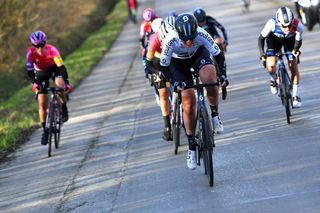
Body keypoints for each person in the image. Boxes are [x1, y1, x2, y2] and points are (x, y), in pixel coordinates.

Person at [159, 13, 227, 169]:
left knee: (211, 79)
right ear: (178, 35)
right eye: (185, 39)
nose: (189, 42)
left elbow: (219, 55)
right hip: (178, 64)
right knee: (188, 101)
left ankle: (215, 115)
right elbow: (164, 67)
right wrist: (174, 82)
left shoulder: (202, 34)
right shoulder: (171, 40)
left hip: (198, 56)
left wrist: (222, 75)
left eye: (192, 38)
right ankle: (191, 146)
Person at [26, 30, 71, 145]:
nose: (39, 48)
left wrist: (66, 83)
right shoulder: (30, 53)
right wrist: (35, 84)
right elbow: (30, 73)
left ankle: (64, 107)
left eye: (41, 44)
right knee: (42, 102)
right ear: (33, 45)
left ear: (45, 42)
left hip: (54, 69)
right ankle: (45, 130)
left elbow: (61, 68)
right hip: (40, 74)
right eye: (36, 46)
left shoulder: (52, 50)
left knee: (60, 86)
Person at [258, 7, 303, 108]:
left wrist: (296, 50)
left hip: (290, 42)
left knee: (293, 66)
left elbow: (298, 42)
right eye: (284, 26)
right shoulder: (272, 23)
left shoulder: (298, 25)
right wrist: (262, 54)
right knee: (271, 65)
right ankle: (273, 80)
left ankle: (295, 96)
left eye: (290, 25)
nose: (287, 29)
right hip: (274, 41)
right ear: (279, 22)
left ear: (292, 21)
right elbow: (261, 39)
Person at [145, 18, 176, 141]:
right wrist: (156, 73)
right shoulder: (153, 40)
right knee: (163, 93)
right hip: (158, 63)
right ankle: (167, 125)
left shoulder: (174, 35)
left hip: (173, 60)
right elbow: (148, 63)